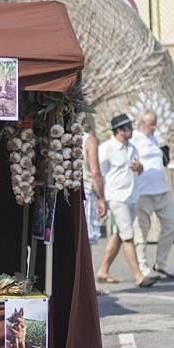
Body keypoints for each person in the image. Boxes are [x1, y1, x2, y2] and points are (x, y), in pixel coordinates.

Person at [96, 114, 158, 288]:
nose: (131, 130)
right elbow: (98, 173)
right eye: (127, 127)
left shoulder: (132, 148)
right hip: (117, 198)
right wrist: (101, 197)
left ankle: (103, 270)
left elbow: (140, 169)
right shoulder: (107, 148)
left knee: (119, 235)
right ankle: (139, 276)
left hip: (131, 197)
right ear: (119, 130)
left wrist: (140, 168)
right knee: (128, 237)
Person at [131, 110, 174, 279]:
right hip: (143, 192)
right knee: (141, 231)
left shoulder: (154, 137)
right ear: (141, 124)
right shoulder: (134, 138)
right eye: (151, 124)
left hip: (161, 190)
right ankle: (143, 267)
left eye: (155, 123)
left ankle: (161, 263)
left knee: (172, 224)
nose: (154, 127)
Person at [82, 118, 109, 295]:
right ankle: (87, 285)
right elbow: (96, 172)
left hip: (66, 191)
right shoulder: (89, 140)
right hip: (86, 193)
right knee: (87, 241)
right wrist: (102, 198)